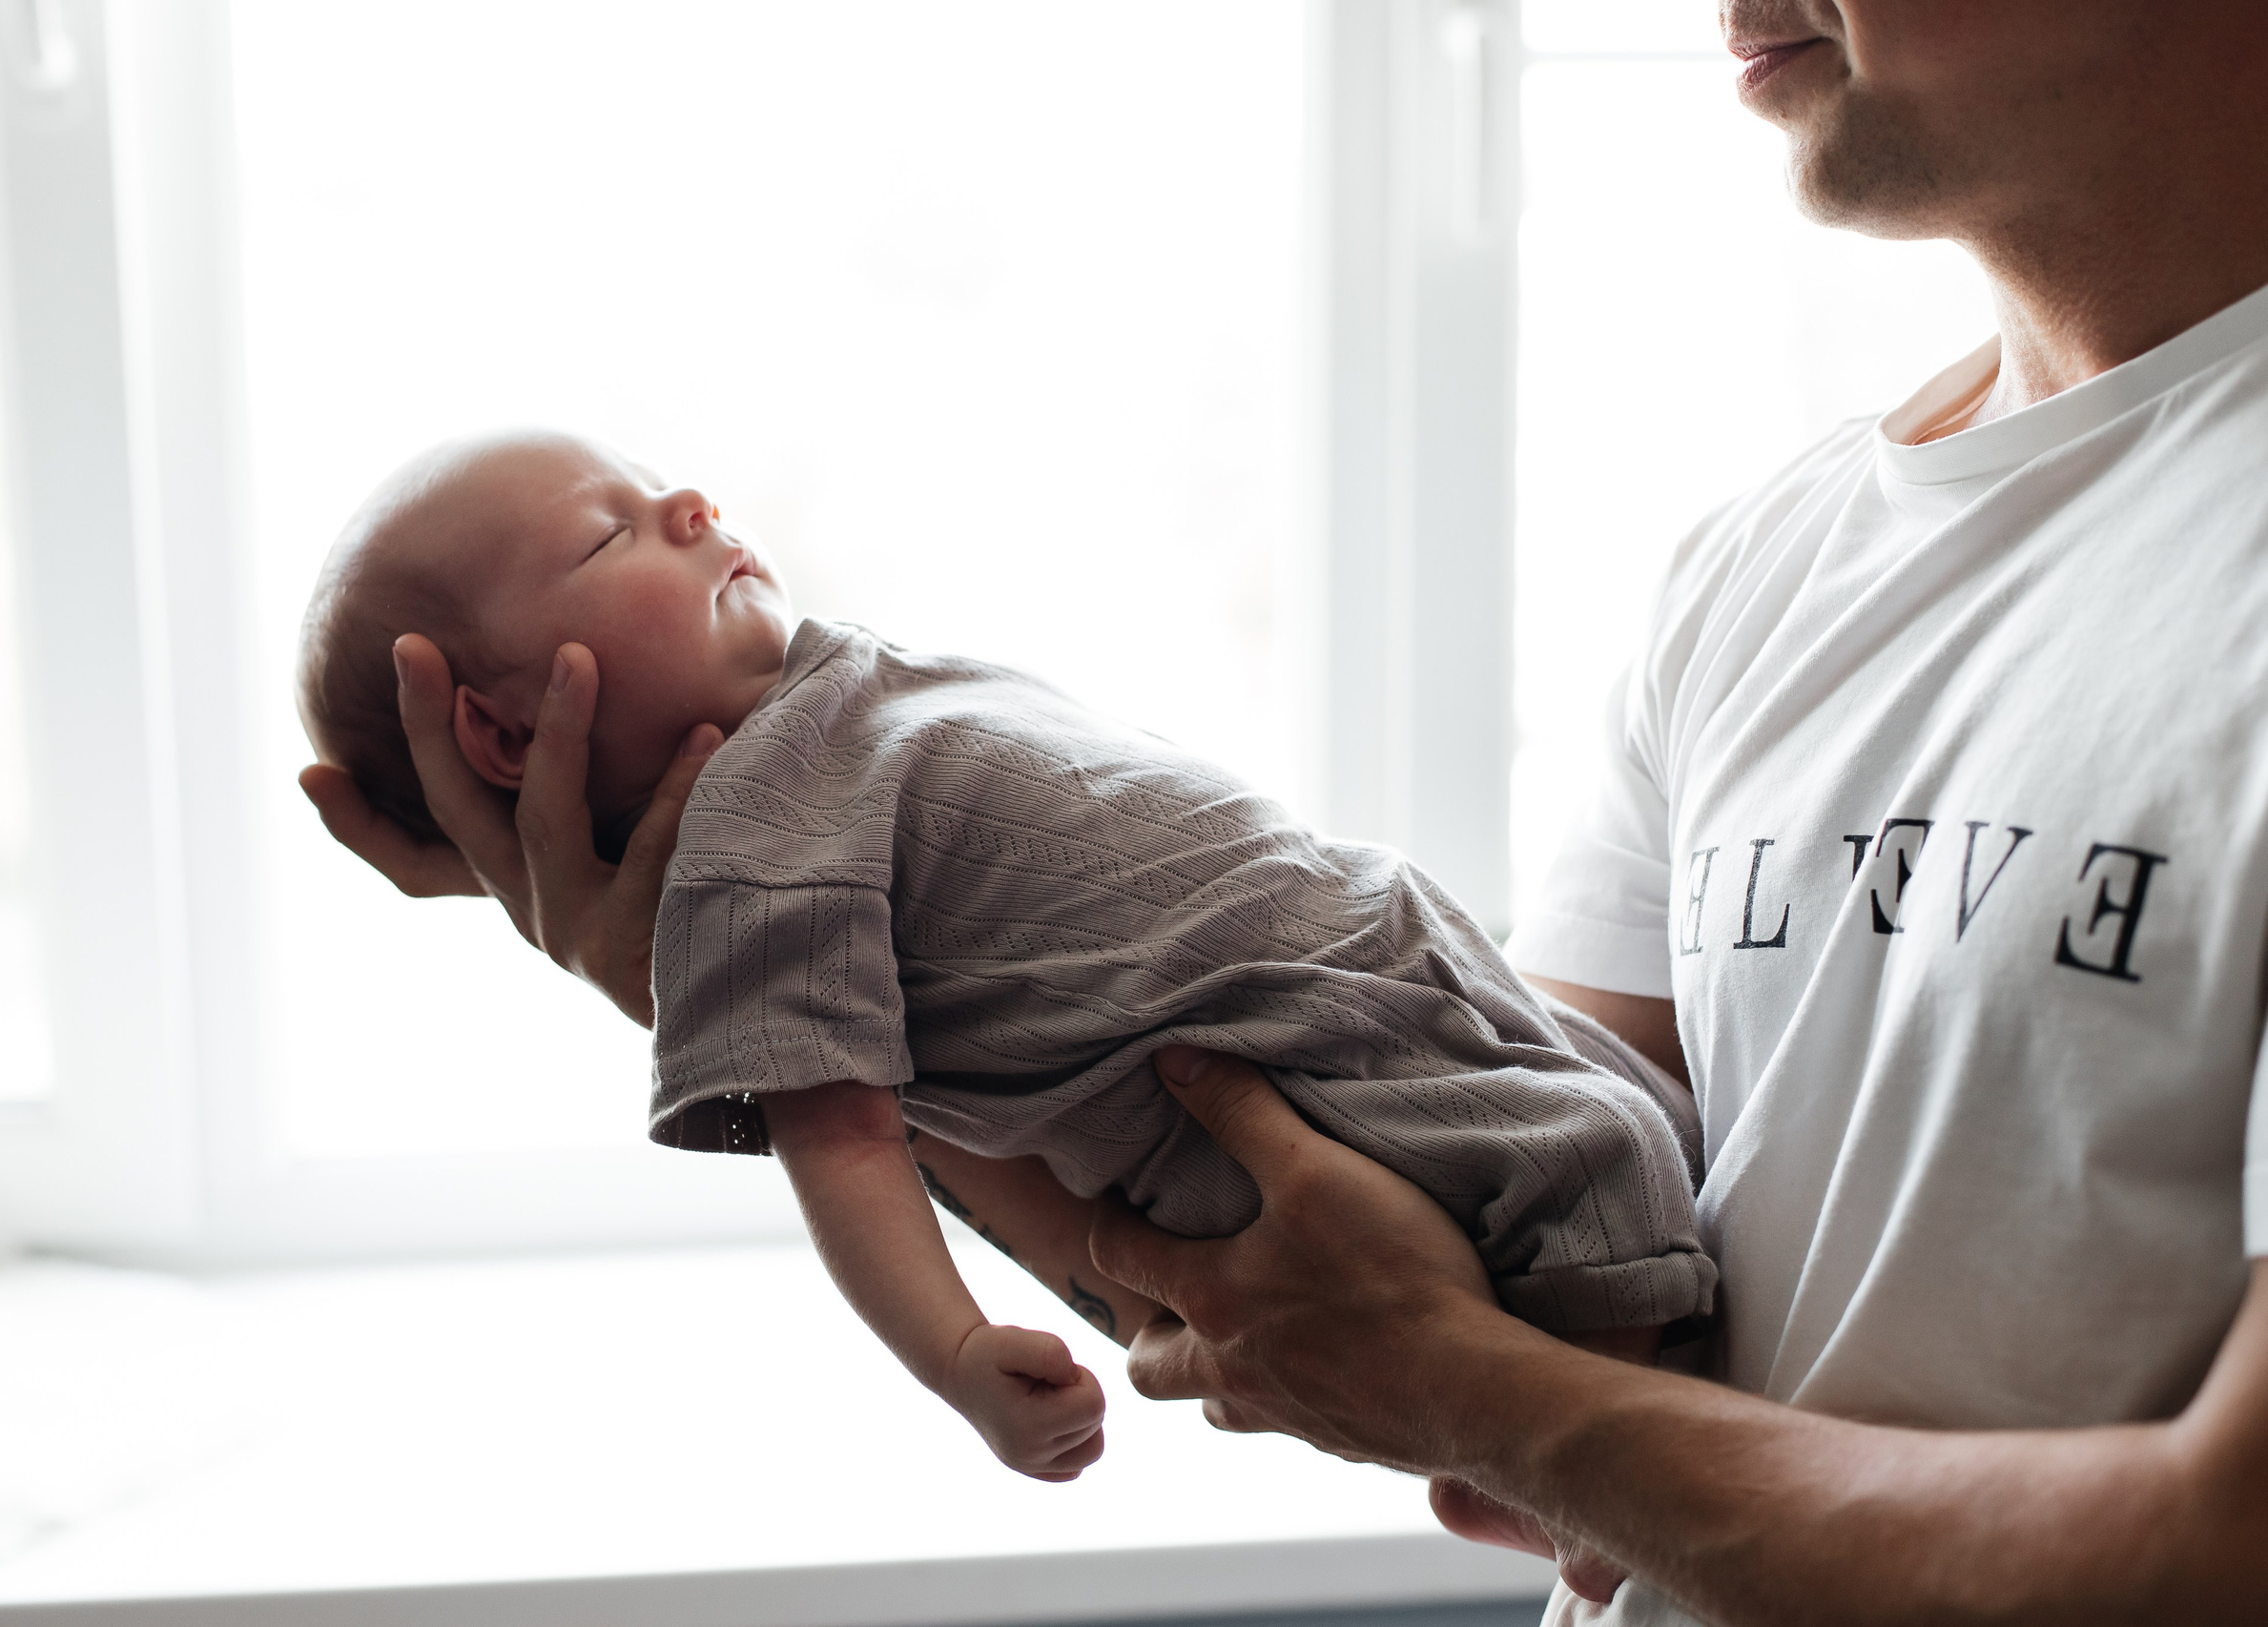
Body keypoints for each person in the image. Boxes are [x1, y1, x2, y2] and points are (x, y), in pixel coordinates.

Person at [303, 1, 2268, 1617]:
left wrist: (1486, 1401)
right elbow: (1364, 1242)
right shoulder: (1770, 563)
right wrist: (761, 1000)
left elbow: (2217, 1547)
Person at [296, 431, 1707, 1483]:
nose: (689, 504)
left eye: (662, 487)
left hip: (1379, 967)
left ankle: (1607, 1453)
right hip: (1307, 1054)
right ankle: (1592, 1488)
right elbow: (837, 1137)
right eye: (612, 539)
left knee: (1668, 1139)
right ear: (499, 732)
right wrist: (958, 1357)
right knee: (1601, 1168)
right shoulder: (749, 842)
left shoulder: (829, 695)